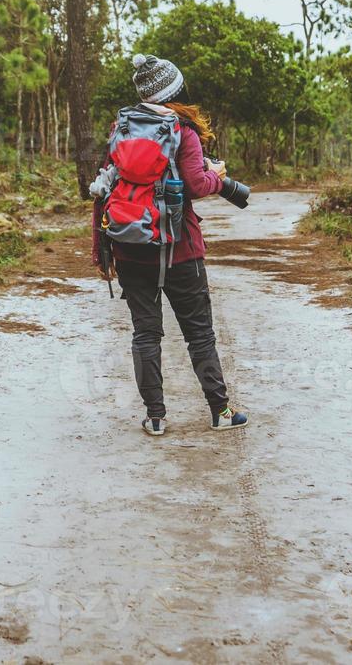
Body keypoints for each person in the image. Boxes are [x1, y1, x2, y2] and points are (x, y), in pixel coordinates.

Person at [92, 54, 250, 437]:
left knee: (146, 334)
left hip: (130, 246)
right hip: (181, 251)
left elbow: (103, 189)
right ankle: (220, 410)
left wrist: (102, 250)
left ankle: (156, 417)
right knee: (199, 333)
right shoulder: (184, 130)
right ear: (174, 90)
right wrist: (217, 177)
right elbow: (196, 184)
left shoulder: (123, 126)